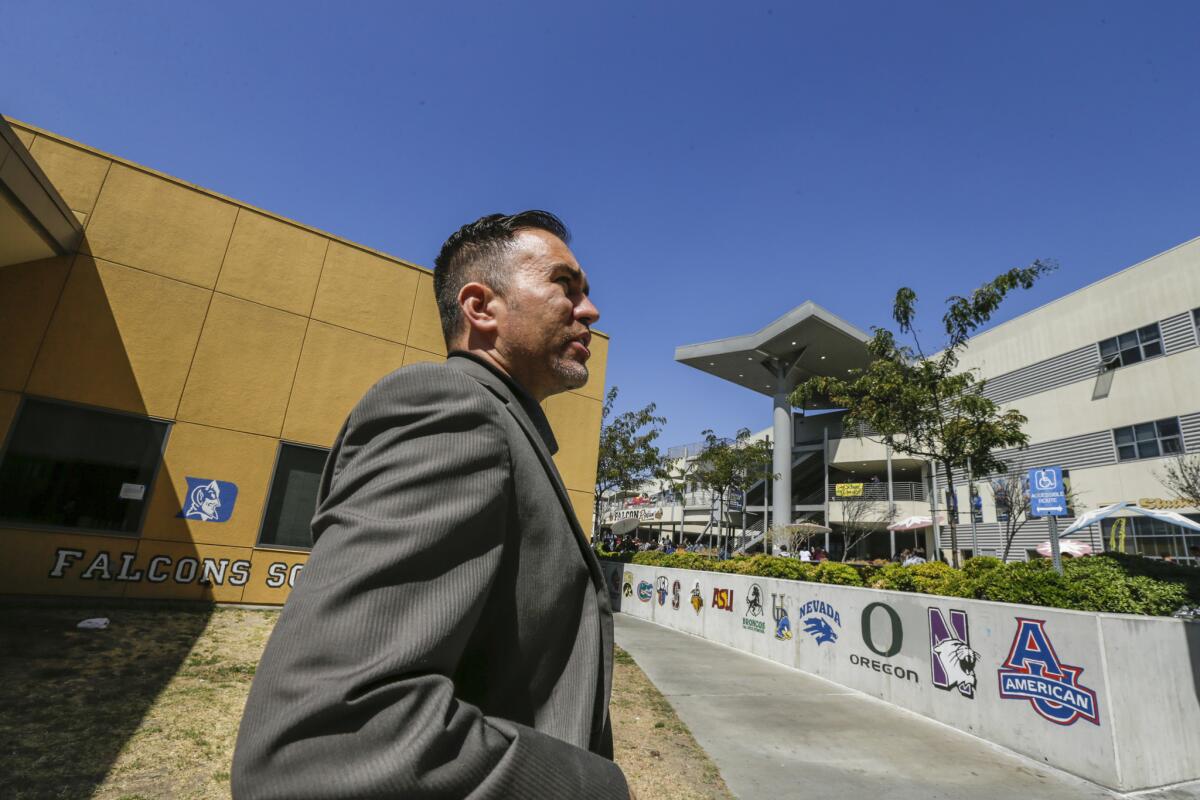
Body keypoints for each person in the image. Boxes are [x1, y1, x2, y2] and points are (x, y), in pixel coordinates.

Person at [232, 211, 631, 799]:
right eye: (564, 286)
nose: (590, 311)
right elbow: (326, 742)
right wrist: (594, 789)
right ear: (480, 307)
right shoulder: (452, 410)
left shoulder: (506, 430)